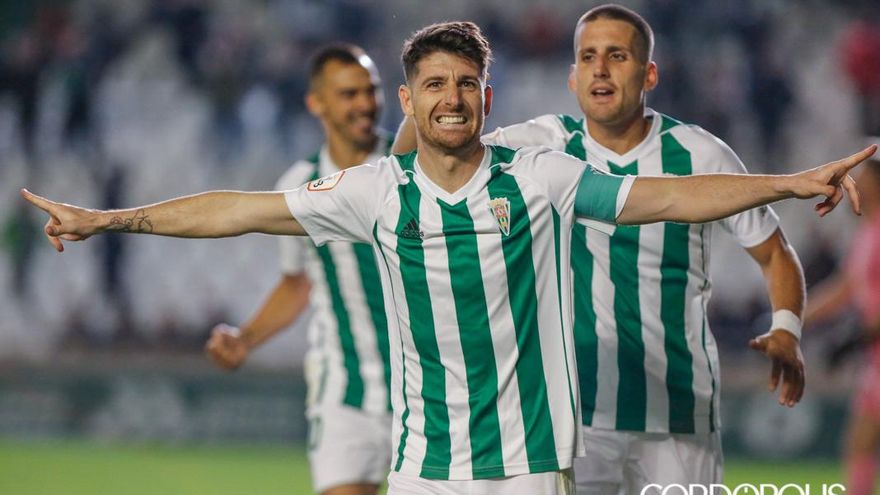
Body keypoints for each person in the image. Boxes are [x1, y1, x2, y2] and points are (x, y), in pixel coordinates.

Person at [20, 21, 873, 495]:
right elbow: (239, 210)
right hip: (424, 467)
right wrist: (111, 219)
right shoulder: (376, 191)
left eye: (465, 84)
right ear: (408, 101)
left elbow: (671, 197)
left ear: (487, 98)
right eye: (434, 85)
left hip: (532, 464)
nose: (452, 98)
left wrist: (792, 181)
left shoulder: (538, 176)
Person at [393, 5, 808, 493]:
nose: (601, 69)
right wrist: (437, 79)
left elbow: (775, 251)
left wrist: (787, 328)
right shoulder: (541, 146)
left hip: (678, 409)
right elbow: (415, 159)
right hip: (576, 414)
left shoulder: (700, 153)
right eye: (588, 57)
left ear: (649, 74)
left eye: (617, 55)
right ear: (573, 77)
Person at [204, 44, 393, 495]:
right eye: (348, 94)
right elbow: (297, 283)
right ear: (316, 103)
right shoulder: (298, 185)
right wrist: (245, 338)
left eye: (371, 90)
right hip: (345, 390)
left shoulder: (411, 165)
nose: (365, 103)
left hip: (429, 389)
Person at [805, 150, 880, 495]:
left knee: (860, 442)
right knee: (858, 444)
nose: (855, 183)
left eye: (863, 176)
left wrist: (855, 337)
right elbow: (846, 287)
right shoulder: (868, 232)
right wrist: (794, 317)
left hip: (870, 344)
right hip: (872, 353)